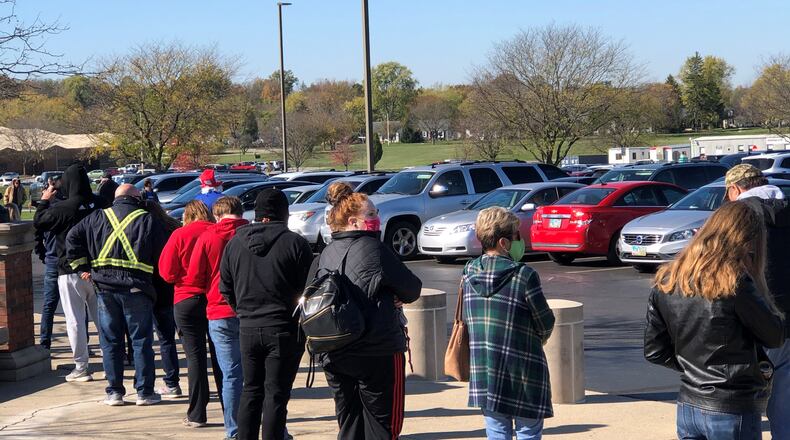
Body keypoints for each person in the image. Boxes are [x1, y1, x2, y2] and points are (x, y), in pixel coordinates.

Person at [645, 201, 785, 440]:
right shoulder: (736, 282)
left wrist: (696, 370)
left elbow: (654, 350)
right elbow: (774, 336)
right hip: (730, 407)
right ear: (747, 241)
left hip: (689, 404)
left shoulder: (668, 279)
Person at [314, 181, 422, 440]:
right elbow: (412, 288)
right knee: (383, 425)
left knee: (349, 420)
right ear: (354, 222)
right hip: (377, 349)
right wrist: (393, 294)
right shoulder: (375, 249)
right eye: (371, 215)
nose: (378, 220)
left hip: (335, 350)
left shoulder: (326, 252)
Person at [220, 189, 313, 440]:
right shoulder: (295, 243)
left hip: (248, 327)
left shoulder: (235, 243)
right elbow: (310, 289)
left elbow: (225, 287)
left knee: (251, 390)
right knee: (276, 395)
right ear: (284, 213)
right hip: (283, 327)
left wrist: (243, 311)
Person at [66, 183, 167, 406]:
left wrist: (82, 267)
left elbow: (72, 238)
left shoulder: (97, 217)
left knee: (110, 342)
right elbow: (163, 254)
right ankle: (144, 392)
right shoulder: (148, 219)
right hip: (137, 289)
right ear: (135, 197)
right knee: (141, 342)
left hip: (105, 289)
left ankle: (114, 392)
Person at [463, 206, 555, 439]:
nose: (520, 241)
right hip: (524, 368)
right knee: (528, 431)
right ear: (504, 243)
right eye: (517, 236)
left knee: (496, 431)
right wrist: (538, 339)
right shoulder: (524, 275)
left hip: (485, 368)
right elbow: (545, 322)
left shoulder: (468, 271)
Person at [725, 164, 790, 438]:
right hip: (787, 318)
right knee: (786, 392)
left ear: (734, 189)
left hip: (749, 315)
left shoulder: (734, 215)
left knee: (742, 391)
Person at [188, 196, 249, 440]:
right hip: (251, 310)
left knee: (231, 374)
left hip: (219, 310)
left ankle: (233, 430)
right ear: (241, 212)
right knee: (259, 374)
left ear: (217, 215)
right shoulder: (251, 234)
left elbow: (194, 276)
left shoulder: (209, 237)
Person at [33, 164, 100, 382]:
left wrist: (44, 200)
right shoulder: (99, 205)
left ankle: (81, 367)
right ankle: (113, 360)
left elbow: (39, 222)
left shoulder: (64, 208)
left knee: (74, 321)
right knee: (104, 320)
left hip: (69, 270)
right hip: (99, 270)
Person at [159, 200, 222, 427]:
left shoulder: (180, 234)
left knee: (195, 358)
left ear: (187, 215)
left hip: (186, 298)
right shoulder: (217, 233)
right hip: (216, 298)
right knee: (221, 356)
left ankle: (197, 413)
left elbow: (166, 272)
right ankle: (231, 409)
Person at [143, 200, 183, 399]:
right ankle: (196, 380)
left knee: (165, 339)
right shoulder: (174, 226)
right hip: (179, 289)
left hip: (158, 290)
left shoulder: (147, 230)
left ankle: (172, 382)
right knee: (188, 339)